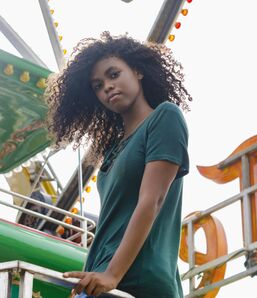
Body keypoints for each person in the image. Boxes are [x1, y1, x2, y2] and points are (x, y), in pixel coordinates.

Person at [46, 32, 192, 298]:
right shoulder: (113, 148)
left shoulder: (164, 118)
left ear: (137, 71)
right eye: (97, 86)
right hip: (101, 279)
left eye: (113, 75)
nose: (107, 88)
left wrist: (113, 274)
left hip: (138, 279)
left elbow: (153, 199)